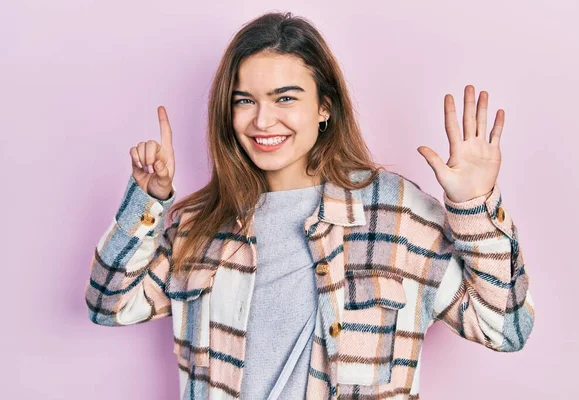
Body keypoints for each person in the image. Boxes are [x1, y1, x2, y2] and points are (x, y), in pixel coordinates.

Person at [84, 11, 535, 400]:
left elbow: (506, 328)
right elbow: (109, 304)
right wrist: (148, 200)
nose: (263, 120)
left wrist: (473, 207)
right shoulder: (198, 223)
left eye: (285, 98)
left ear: (324, 107)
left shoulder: (395, 212)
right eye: (245, 101)